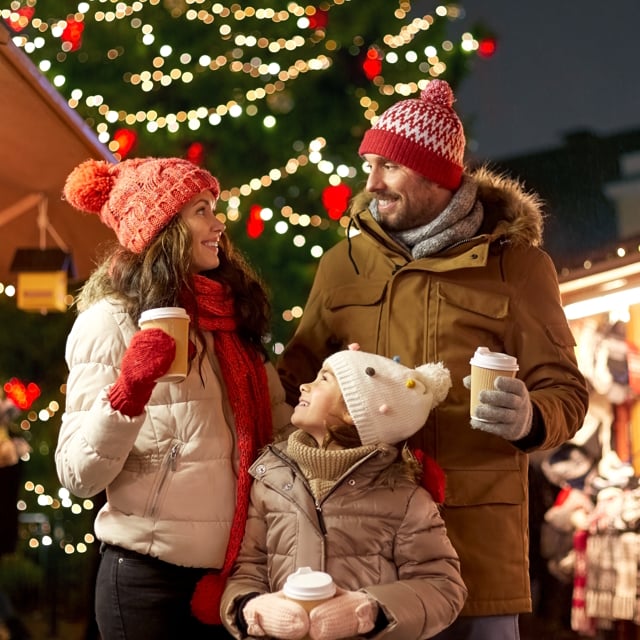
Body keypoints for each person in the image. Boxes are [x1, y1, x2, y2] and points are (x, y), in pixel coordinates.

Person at [276, 79, 589, 640]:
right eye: (368, 165)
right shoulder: (342, 264)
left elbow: (565, 390)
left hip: (473, 548)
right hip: (363, 553)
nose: (371, 184)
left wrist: (530, 418)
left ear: (437, 174)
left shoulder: (516, 267)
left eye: (388, 168)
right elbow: (293, 381)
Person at [55, 157, 292, 640]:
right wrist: (129, 393)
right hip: (148, 582)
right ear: (162, 229)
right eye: (201, 210)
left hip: (238, 580)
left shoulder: (233, 317)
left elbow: (282, 433)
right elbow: (78, 475)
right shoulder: (110, 322)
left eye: (214, 208)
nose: (218, 222)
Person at [220, 344, 467, 640]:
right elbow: (250, 569)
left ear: (353, 410)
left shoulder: (404, 498)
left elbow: (442, 586)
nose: (304, 385)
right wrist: (252, 609)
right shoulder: (270, 479)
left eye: (323, 379)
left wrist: (369, 611)